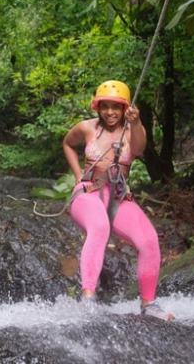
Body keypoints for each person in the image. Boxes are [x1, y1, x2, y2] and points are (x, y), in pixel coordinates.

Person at [62, 80, 174, 321]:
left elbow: (140, 149)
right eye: (105, 106)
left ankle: (148, 304)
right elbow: (68, 144)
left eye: (116, 106)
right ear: (98, 106)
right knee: (99, 226)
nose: (110, 112)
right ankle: (88, 299)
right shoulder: (86, 128)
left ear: (125, 108)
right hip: (88, 193)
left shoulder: (133, 130)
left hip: (118, 196)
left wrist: (136, 122)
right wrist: (78, 176)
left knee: (149, 240)